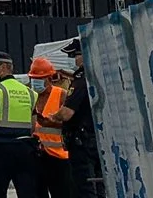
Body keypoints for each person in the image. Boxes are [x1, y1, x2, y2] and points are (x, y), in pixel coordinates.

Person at [37, 39, 99, 198]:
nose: (72, 60)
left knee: (84, 188)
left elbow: (66, 113)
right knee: (96, 186)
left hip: (80, 144)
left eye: (74, 56)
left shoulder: (80, 81)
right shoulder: (97, 77)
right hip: (91, 141)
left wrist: (53, 117)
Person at [0, 52, 38, 198]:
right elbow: (33, 126)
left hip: (2, 148)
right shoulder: (30, 93)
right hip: (26, 148)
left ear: (4, 67)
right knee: (27, 191)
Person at [28, 57, 70, 198]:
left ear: (49, 78)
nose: (36, 82)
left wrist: (50, 122)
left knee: (62, 193)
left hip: (58, 157)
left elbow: (69, 122)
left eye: (39, 78)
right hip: (36, 155)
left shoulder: (61, 95)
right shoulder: (30, 96)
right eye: (33, 78)